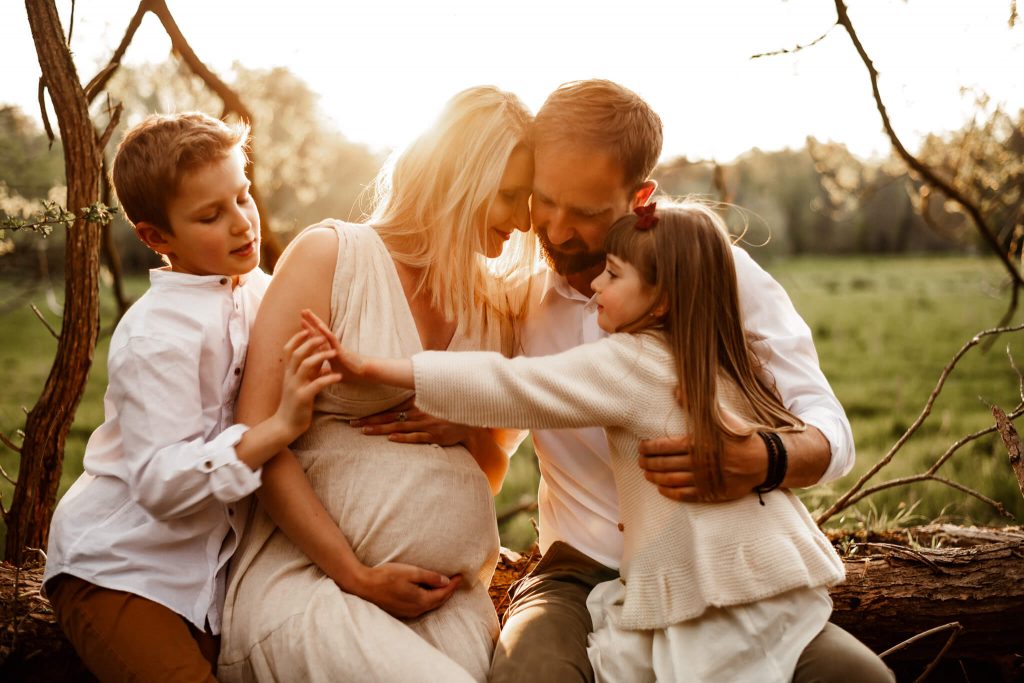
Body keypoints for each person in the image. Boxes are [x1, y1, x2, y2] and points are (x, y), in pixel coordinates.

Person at [361, 79, 889, 682]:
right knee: (528, 674)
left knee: (860, 679)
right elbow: (498, 394)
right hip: (576, 571)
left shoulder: (717, 277)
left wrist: (760, 458)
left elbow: (831, 430)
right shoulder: (518, 299)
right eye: (544, 202)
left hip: (711, 559)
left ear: (641, 197)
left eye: (585, 213)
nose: (556, 232)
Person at [217, 86, 535, 682]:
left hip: (446, 602)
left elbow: (490, 473)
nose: (522, 221)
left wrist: (467, 431)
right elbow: (256, 438)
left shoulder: (496, 310)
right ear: (459, 177)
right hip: (315, 583)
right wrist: (355, 574)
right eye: (509, 196)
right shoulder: (332, 256)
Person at [42, 112, 341, 682]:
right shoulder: (158, 335)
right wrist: (275, 430)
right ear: (157, 238)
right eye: (211, 215)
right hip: (120, 568)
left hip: (211, 578)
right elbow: (159, 484)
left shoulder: (259, 291)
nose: (241, 223)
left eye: (243, 196)